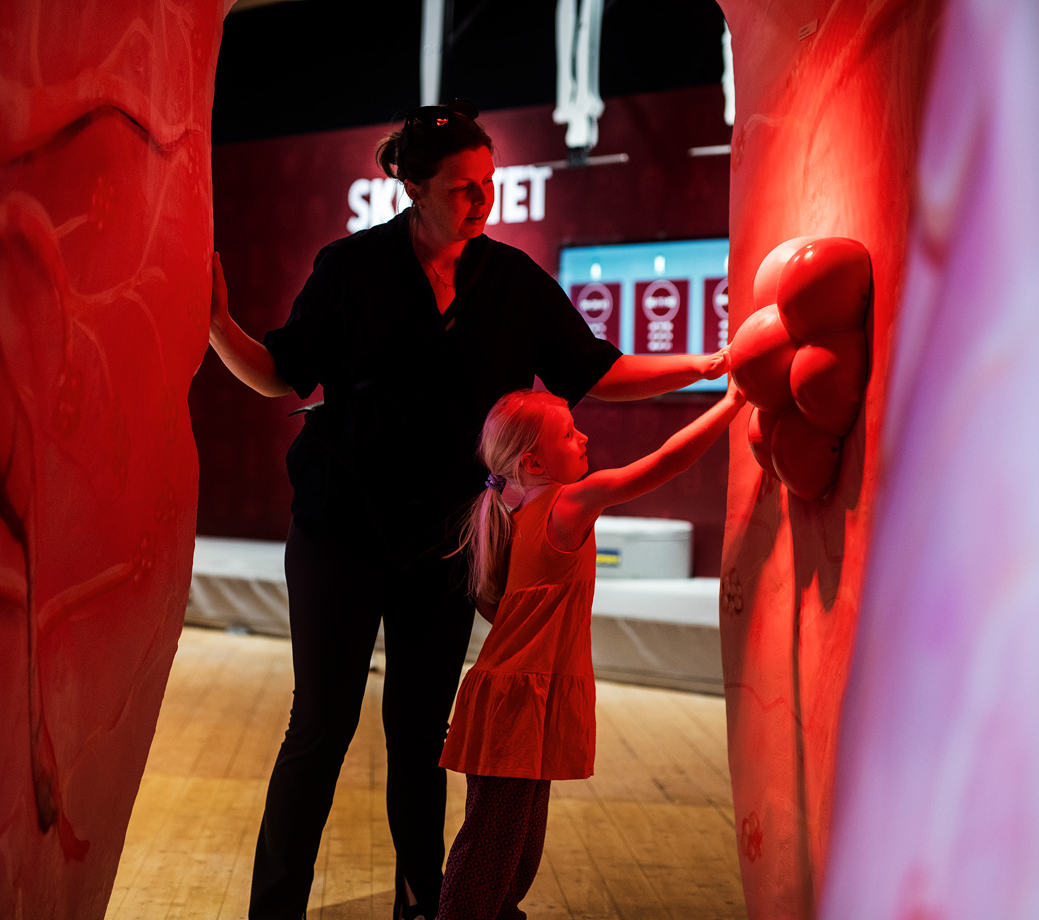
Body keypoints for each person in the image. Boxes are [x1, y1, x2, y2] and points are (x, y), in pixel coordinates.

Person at [207, 98, 729, 920]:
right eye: (462, 188)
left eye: (490, 184)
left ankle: (425, 903)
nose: (482, 202)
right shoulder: (349, 269)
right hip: (339, 532)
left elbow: (594, 368)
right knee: (320, 729)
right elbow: (281, 371)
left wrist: (711, 363)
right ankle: (275, 911)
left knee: (420, 737)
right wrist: (215, 325)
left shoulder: (512, 281)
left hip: (442, 546)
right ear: (411, 186)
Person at [436, 383, 746, 920]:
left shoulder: (520, 510)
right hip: (517, 701)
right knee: (493, 843)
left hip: (523, 694)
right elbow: (664, 463)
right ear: (534, 461)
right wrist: (731, 403)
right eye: (568, 433)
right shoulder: (569, 503)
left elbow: (503, 609)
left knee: (515, 845)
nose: (584, 437)